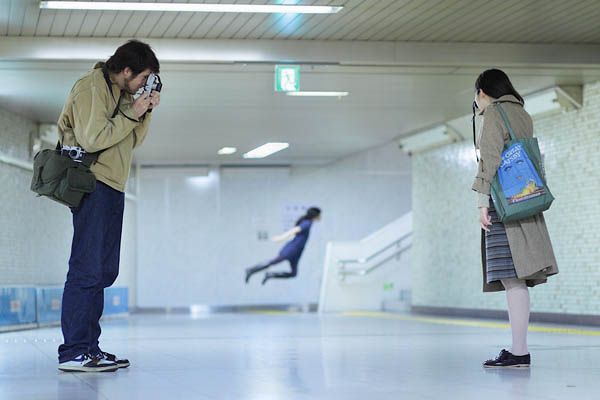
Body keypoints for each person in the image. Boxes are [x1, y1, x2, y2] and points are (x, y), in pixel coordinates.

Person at [57, 40, 160, 372]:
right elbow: (92, 139)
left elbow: (134, 140)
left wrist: (144, 112)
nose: (143, 85)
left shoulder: (122, 95)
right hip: (91, 183)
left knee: (103, 272)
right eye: (143, 78)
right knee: (86, 269)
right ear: (126, 71)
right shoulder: (91, 87)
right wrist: (133, 111)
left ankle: (90, 348)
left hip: (113, 185)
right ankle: (73, 350)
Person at [471, 69, 558, 369]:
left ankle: (519, 351)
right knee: (517, 278)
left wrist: (482, 203)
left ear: (483, 92)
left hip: (503, 206)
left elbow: (490, 159)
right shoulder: (523, 113)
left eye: (476, 95)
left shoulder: (493, 113)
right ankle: (518, 349)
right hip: (526, 199)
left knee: (512, 279)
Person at [245, 207, 321, 285]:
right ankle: (251, 270)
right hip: (292, 249)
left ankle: (270, 275)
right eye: (319, 215)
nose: (320, 217)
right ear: (315, 215)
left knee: (293, 273)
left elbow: (296, 234)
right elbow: (295, 230)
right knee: (273, 262)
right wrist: (281, 238)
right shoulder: (307, 223)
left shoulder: (308, 223)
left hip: (297, 251)